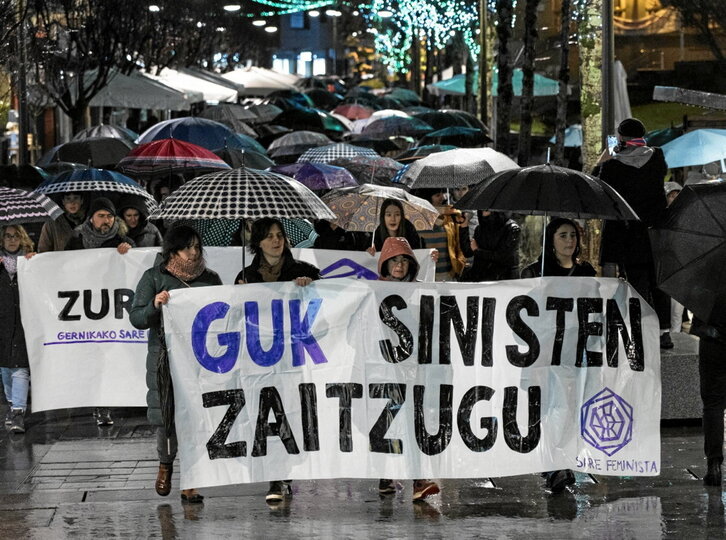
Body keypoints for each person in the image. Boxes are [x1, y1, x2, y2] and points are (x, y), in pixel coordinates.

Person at [129, 225, 222, 503]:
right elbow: (136, 318)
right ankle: (165, 465)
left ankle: (191, 481)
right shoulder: (154, 278)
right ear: (172, 250)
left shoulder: (210, 278)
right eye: (187, 247)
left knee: (196, 420)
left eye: (196, 247)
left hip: (200, 362)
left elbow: (224, 313)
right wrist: (154, 306)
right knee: (167, 419)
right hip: (165, 362)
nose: (193, 253)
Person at [234, 217, 320, 503]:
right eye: (269, 236)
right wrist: (239, 292)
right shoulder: (246, 276)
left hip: (294, 361)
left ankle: (282, 476)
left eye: (279, 235)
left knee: (290, 413)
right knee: (266, 414)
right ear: (257, 242)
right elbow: (235, 318)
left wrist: (310, 287)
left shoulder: (304, 272)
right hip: (261, 361)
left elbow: (327, 307)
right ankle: (275, 473)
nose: (275, 240)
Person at [520, 218, 594, 493]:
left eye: (573, 235)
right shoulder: (535, 272)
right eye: (563, 235)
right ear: (551, 240)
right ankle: (554, 466)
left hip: (575, 353)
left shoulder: (586, 271)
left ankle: (562, 460)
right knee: (550, 408)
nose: (569, 241)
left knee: (571, 408)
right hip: (544, 353)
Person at [593, 117, 670, 348]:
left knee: (637, 283)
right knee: (659, 282)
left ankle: (640, 329)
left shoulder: (612, 166)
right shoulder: (657, 157)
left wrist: (604, 159)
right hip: (655, 231)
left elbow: (597, 185)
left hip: (628, 234)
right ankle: (664, 331)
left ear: (621, 138)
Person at [377, 236, 441, 501]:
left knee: (415, 419)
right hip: (385, 368)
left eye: (404, 260)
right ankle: (386, 474)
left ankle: (418, 480)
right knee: (390, 419)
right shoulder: (372, 290)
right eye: (394, 260)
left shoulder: (419, 290)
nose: (399, 265)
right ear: (385, 264)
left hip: (413, 368)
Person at [65, 197, 135, 425]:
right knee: (92, 356)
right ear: (91, 218)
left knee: (109, 355)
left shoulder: (123, 241)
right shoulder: (77, 240)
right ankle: (95, 400)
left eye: (110, 216)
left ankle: (104, 404)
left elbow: (136, 269)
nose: (106, 221)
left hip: (112, 308)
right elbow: (61, 267)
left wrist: (130, 252)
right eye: (101, 216)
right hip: (85, 308)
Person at [0, 225, 35, 434]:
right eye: (7, 236)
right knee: (5, 369)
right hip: (3, 325)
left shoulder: (31, 262)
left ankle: (18, 411)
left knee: (20, 367)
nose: (12, 240)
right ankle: (13, 404)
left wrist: (36, 263)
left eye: (16, 236)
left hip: (24, 323)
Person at [690, 315, 726, 486]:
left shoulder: (709, 289)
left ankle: (714, 465)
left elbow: (699, 323)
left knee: (713, 405)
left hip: (713, 343)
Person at [414, 188, 468, 281]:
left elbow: (458, 244)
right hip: (424, 275)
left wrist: (460, 264)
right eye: (437, 195)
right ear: (427, 198)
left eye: (442, 194)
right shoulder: (417, 220)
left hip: (448, 275)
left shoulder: (450, 216)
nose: (442, 197)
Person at [460, 211, 520, 282]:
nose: (482, 212)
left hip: (503, 279)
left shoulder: (511, 228)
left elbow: (502, 256)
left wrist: (477, 250)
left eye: (486, 210)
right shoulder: (480, 229)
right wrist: (464, 226)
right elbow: (468, 252)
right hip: (482, 278)